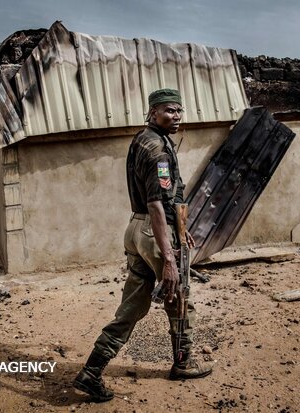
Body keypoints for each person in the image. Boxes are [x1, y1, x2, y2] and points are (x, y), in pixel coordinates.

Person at [73, 89, 213, 402]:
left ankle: (91, 371)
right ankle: (183, 363)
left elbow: (167, 200)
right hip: (153, 231)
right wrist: (168, 257)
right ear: (151, 112)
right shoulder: (159, 152)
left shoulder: (145, 138)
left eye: (179, 110)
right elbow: (156, 204)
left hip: (136, 229)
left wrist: (182, 227)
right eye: (168, 110)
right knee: (179, 299)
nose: (175, 116)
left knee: (133, 306)